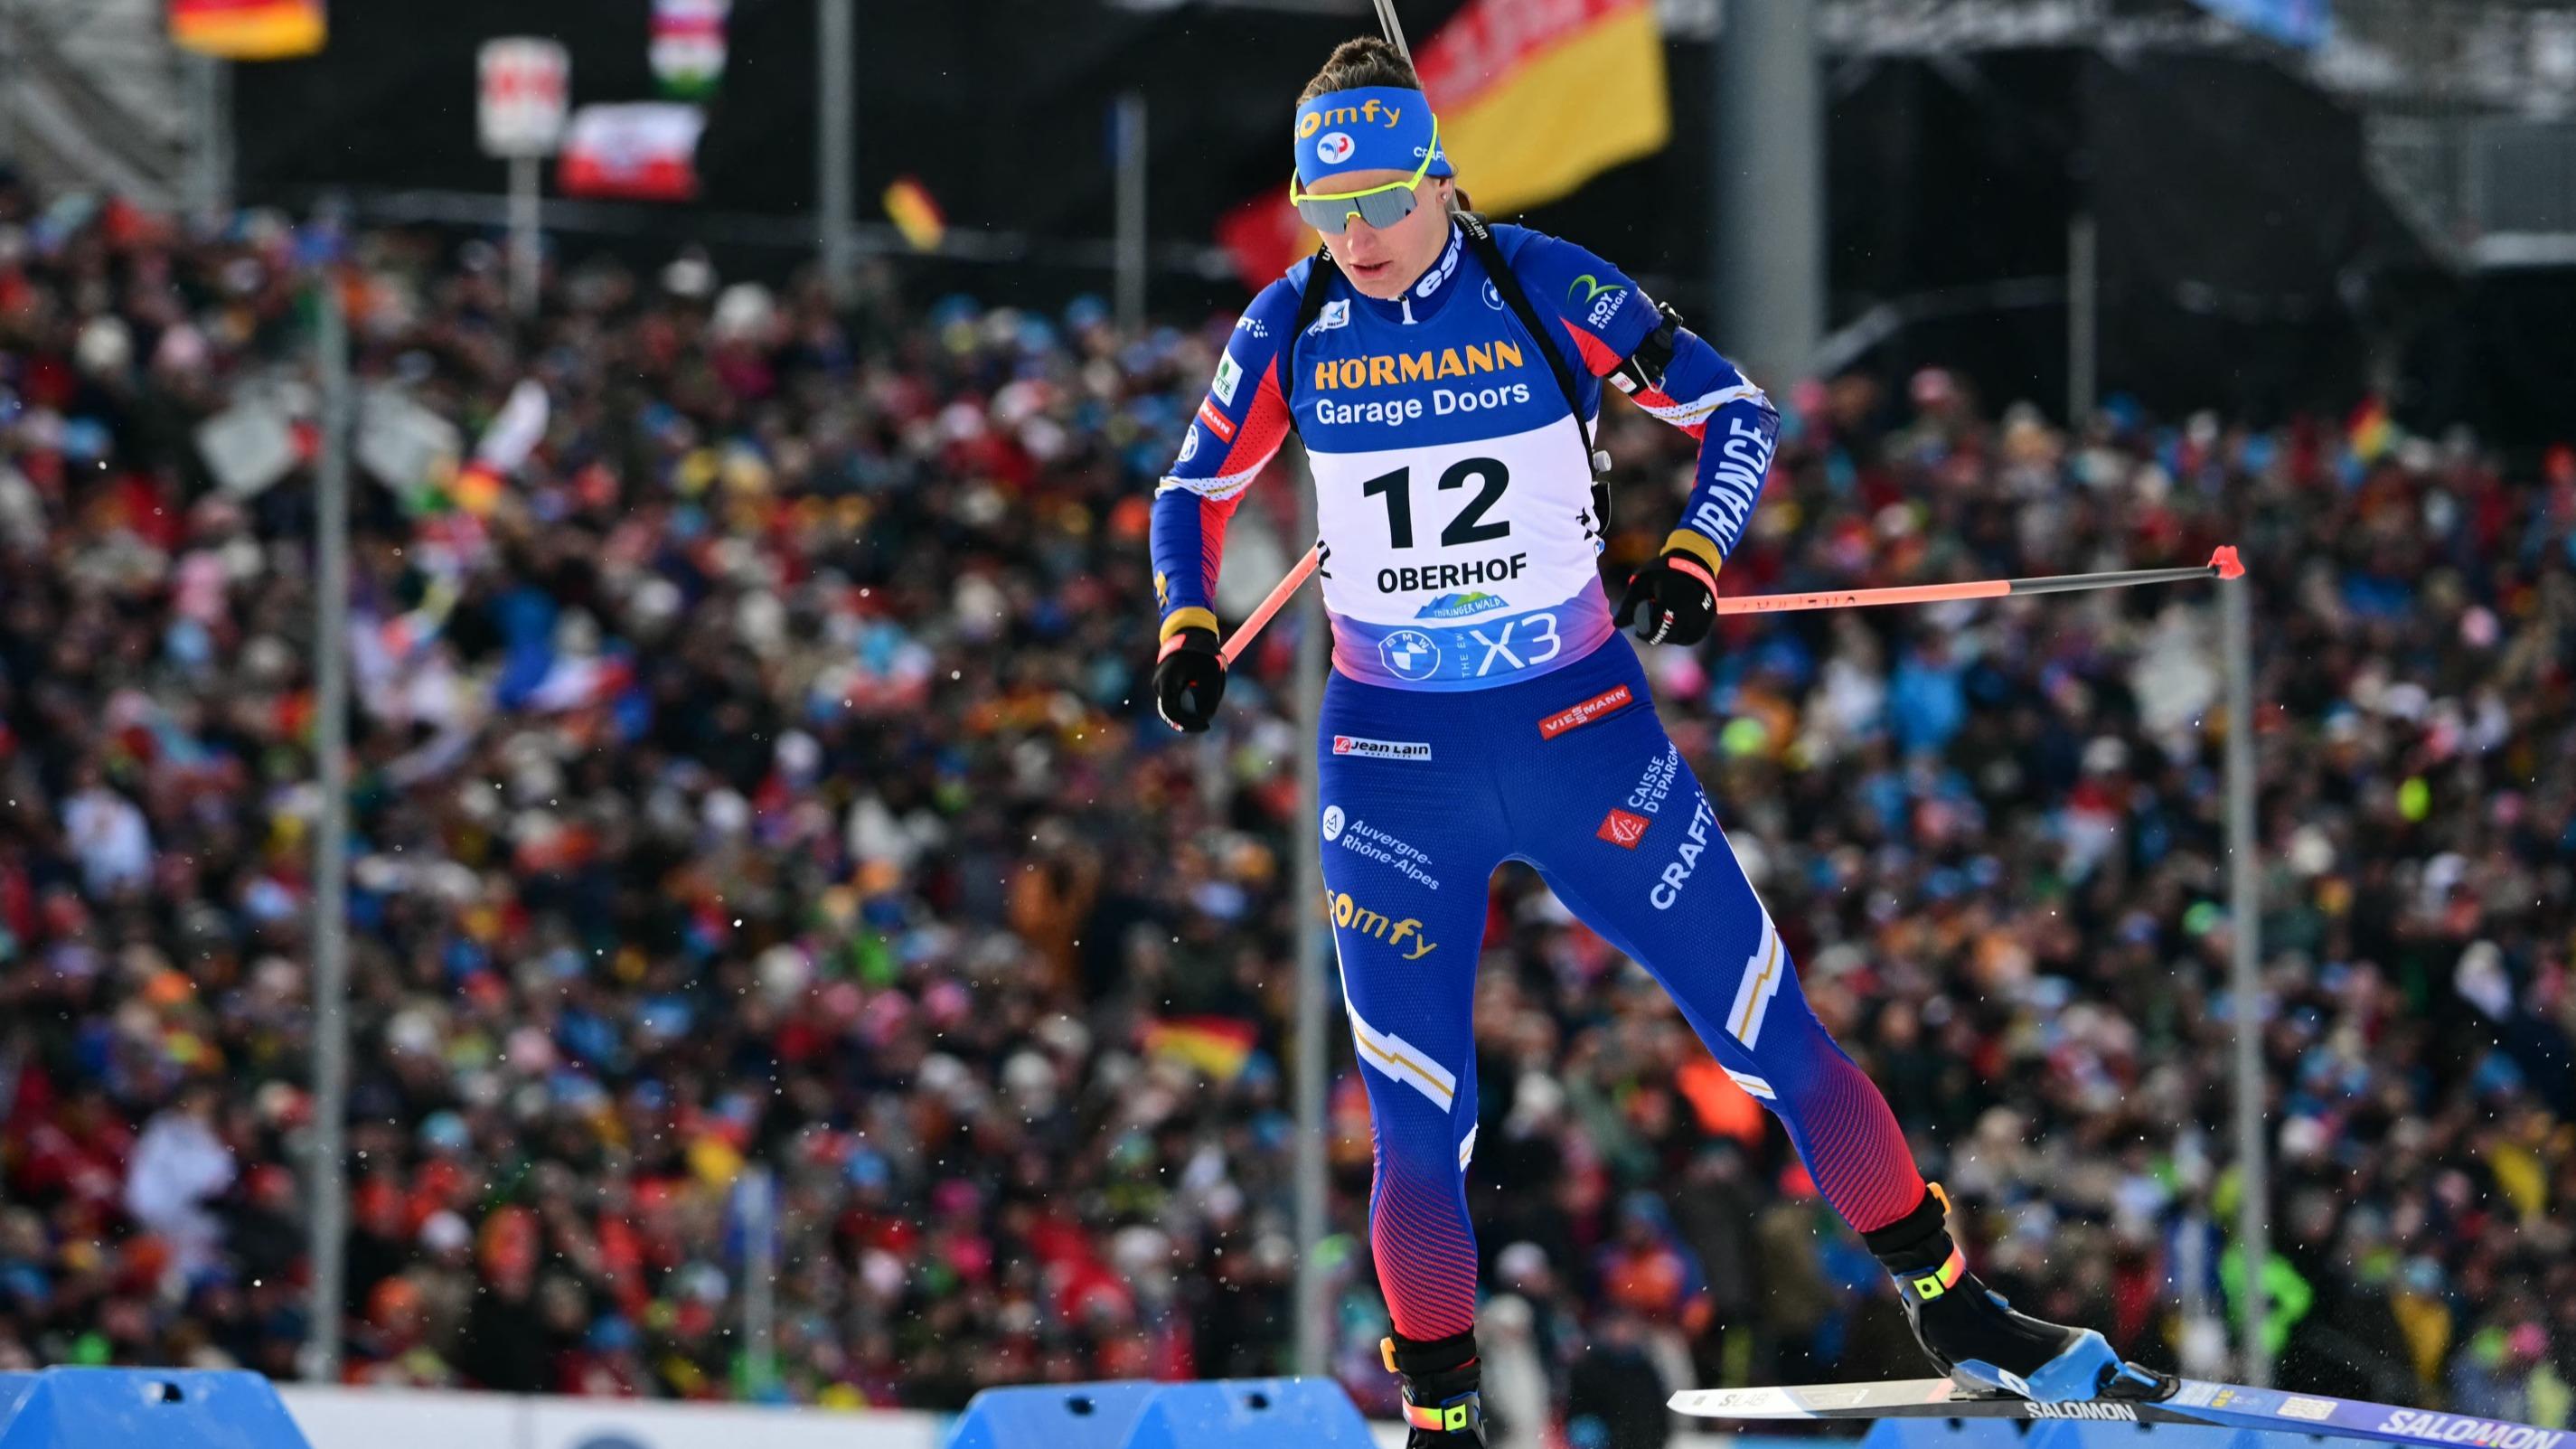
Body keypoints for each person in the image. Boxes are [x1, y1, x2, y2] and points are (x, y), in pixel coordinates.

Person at [1147, 36, 2165, 1447]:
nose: (1358, 237)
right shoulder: (1289, 320)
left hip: (1582, 735)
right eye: (1329, 211)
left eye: (1381, 201)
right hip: (1394, 768)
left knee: (1769, 1033)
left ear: (1438, 178)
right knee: (1417, 1122)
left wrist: (1694, 547)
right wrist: (1185, 626)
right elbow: (1189, 491)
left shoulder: (1542, 286)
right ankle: (1442, 1429)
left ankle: (1955, 1306)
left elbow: (1733, 409)